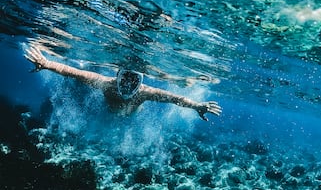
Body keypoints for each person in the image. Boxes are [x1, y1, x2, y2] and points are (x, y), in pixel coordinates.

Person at [24, 45, 222, 121]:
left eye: (134, 80)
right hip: (108, 113)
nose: (128, 85)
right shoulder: (105, 83)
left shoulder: (145, 92)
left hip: (130, 118)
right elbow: (74, 72)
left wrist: (196, 105)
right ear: (117, 75)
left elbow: (174, 98)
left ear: (140, 81)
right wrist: (47, 63)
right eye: (125, 78)